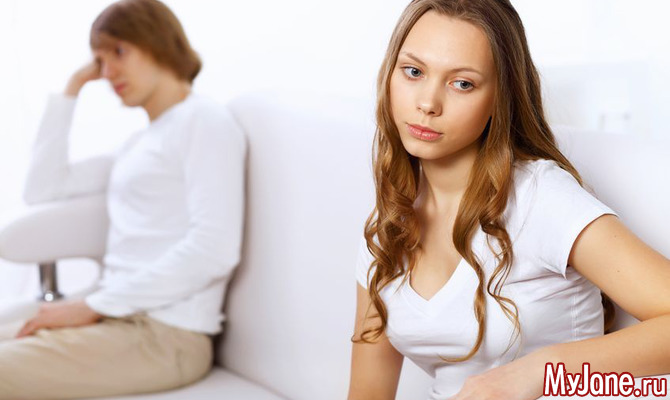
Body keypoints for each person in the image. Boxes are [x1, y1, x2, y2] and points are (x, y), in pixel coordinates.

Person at [348, 1, 670, 399]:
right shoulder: (387, 226)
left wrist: (537, 372)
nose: (428, 103)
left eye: (462, 83)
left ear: (501, 96)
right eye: (413, 72)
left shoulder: (540, 197)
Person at [0, 0, 246, 398]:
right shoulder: (138, 144)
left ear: (158, 42)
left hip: (164, 335)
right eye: (99, 60)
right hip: (118, 320)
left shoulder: (203, 121)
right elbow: (42, 188)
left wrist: (92, 305)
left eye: (118, 52)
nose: (107, 72)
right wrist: (72, 88)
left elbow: (214, 248)